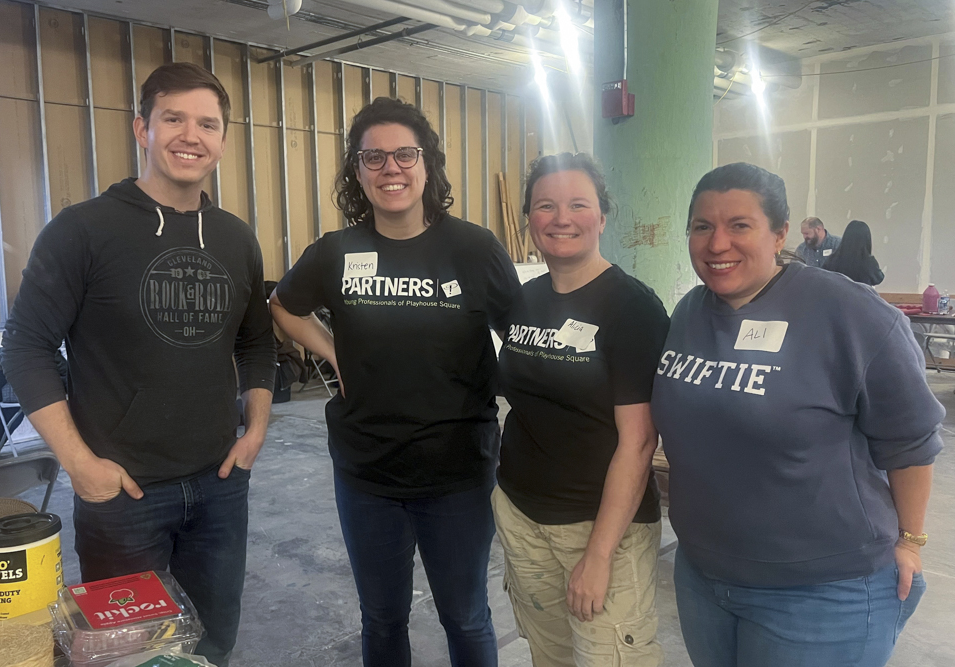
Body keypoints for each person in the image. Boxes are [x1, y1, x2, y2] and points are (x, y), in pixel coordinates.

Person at [1, 63, 276, 667]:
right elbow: (26, 346)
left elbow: (257, 343)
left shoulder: (234, 237)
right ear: (141, 129)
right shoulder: (83, 230)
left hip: (220, 485)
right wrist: (79, 465)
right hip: (122, 494)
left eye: (208, 123)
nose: (191, 135)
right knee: (131, 657)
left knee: (213, 644)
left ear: (223, 141)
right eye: (173, 118)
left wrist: (254, 431)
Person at [651, 162, 943, 667]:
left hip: (821, 593)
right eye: (702, 226)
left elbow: (911, 442)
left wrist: (911, 543)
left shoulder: (850, 315)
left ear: (780, 233)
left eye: (739, 225)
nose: (717, 243)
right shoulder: (690, 312)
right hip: (703, 576)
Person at [269, 97, 520, 667]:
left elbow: (524, 336)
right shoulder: (339, 250)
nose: (391, 169)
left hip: (456, 471)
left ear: (427, 163)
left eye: (405, 154)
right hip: (368, 473)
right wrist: (335, 354)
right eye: (373, 157)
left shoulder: (474, 248)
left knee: (465, 614)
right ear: (357, 171)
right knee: (382, 618)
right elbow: (283, 305)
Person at [493, 153, 670, 666]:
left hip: (599, 527)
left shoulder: (632, 307)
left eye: (577, 204)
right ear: (529, 219)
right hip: (522, 515)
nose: (561, 218)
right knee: (549, 656)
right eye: (545, 205)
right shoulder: (524, 300)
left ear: (602, 216)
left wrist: (598, 555)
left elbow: (638, 443)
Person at [823, 219, 885, 286]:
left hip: (837, 295)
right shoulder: (868, 261)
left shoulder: (833, 259)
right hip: (861, 296)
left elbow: (824, 277)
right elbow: (879, 278)